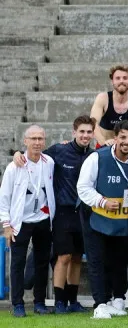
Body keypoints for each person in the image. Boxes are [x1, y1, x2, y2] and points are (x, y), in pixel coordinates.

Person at [11, 116, 96, 313]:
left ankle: (72, 301)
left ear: (93, 134)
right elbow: (33, 154)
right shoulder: (58, 151)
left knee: (76, 257)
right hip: (62, 213)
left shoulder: (94, 155)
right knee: (63, 257)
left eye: (88, 132)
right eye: (81, 131)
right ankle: (59, 302)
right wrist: (17, 153)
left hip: (84, 213)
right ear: (74, 132)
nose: (85, 135)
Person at [77, 121, 128, 319]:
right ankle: (100, 303)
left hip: (124, 218)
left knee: (120, 260)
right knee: (97, 261)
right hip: (96, 216)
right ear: (115, 138)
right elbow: (83, 187)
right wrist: (102, 201)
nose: (126, 142)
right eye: (122, 137)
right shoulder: (97, 157)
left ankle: (118, 299)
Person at [0, 126, 55, 317]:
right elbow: (4, 196)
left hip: (43, 219)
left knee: (41, 262)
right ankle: (18, 304)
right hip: (20, 221)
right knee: (17, 262)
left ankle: (39, 303)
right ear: (25, 141)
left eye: (41, 138)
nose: (37, 142)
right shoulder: (14, 166)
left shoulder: (49, 162)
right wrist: (6, 224)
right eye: (33, 138)